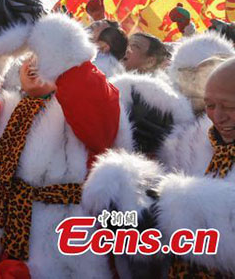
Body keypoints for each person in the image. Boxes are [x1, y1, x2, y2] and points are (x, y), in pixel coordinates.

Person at [0, 0, 126, 278]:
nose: (34, 65)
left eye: (43, 58)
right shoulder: (14, 111)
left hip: (66, 240)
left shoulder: (87, 101)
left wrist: (47, 27)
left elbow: (98, 127)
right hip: (9, 234)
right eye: (29, 58)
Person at [85, 57, 235, 277]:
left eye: (230, 106)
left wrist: (172, 209)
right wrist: (128, 202)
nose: (218, 116)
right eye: (210, 105)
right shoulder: (191, 143)